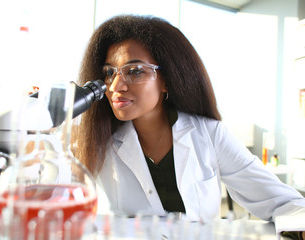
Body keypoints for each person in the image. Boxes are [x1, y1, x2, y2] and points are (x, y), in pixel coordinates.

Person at [71, 14, 305, 238]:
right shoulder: (96, 142)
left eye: (134, 71)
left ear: (166, 81)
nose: (115, 86)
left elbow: (284, 202)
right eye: (109, 73)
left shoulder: (209, 134)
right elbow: (53, 203)